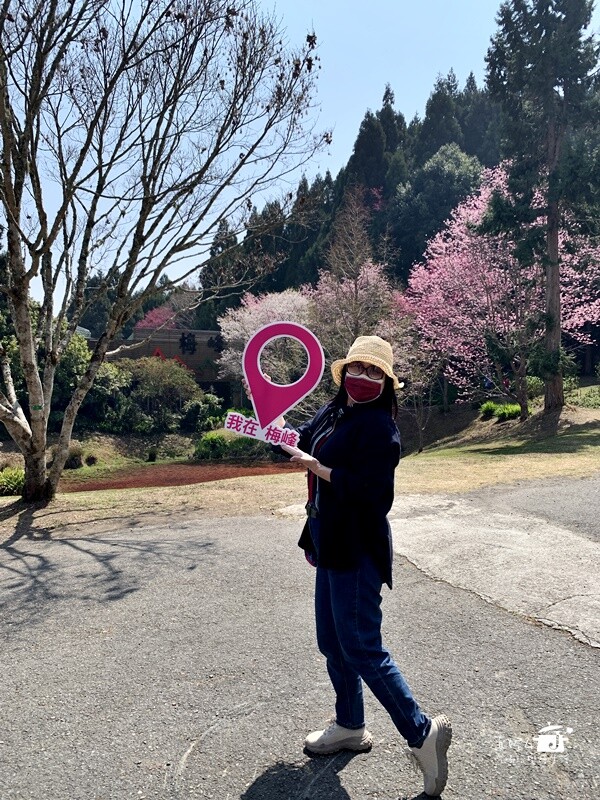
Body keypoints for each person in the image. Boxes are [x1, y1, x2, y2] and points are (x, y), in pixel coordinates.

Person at [247, 335, 451, 797]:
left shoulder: (380, 428)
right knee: (332, 642)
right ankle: (350, 725)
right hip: (329, 540)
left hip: (358, 548)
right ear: (344, 374)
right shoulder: (334, 411)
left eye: (374, 371)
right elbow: (297, 441)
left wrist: (318, 468)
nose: (363, 377)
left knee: (360, 646)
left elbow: (373, 495)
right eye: (357, 368)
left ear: (386, 382)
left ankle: (423, 734)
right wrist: (268, 420)